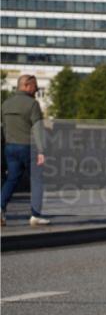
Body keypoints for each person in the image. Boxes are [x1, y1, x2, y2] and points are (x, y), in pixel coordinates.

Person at [1, 74, 49, 226]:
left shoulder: (5, 104)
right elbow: (38, 129)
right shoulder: (32, 104)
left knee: (11, 179)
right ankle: (35, 216)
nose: (36, 89)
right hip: (28, 148)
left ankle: (0, 208)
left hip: (10, 148)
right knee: (37, 180)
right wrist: (41, 151)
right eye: (34, 86)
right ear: (26, 85)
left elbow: (4, 127)